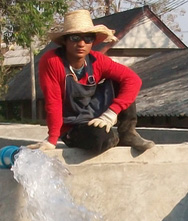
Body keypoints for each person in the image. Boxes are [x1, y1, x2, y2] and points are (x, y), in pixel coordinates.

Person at [28, 9, 155, 155]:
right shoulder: (52, 61)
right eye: (75, 38)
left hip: (95, 114)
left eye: (87, 39)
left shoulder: (97, 60)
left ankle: (127, 133)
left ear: (93, 42)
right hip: (73, 125)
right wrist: (52, 139)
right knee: (100, 140)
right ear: (65, 41)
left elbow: (133, 80)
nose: (81, 44)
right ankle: (110, 138)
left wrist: (111, 113)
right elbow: (53, 102)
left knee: (123, 82)